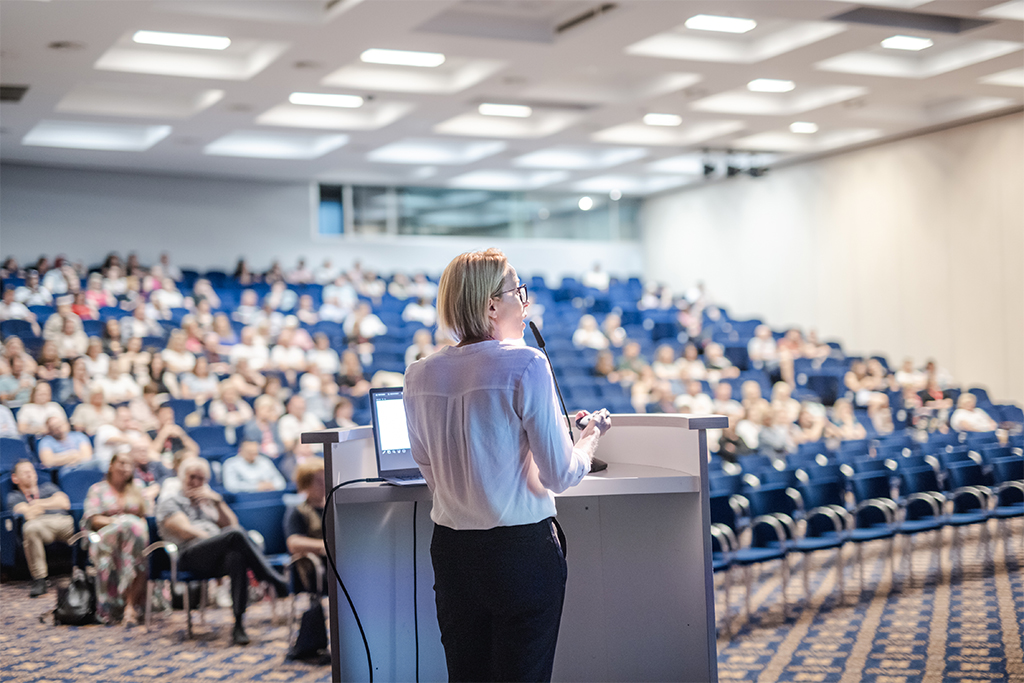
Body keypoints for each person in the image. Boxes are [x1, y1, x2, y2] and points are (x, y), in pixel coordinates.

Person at [403, 249, 611, 682]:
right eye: (519, 291)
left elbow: (427, 467)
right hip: (520, 554)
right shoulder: (526, 363)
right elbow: (560, 474)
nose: (526, 302)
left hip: (453, 554)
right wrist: (589, 438)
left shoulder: (419, 374)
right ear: (493, 304)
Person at [156, 457, 289, 646]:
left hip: (216, 554)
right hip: (189, 555)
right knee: (233, 536)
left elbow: (233, 524)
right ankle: (269, 577)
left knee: (237, 556)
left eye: (201, 479)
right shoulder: (170, 501)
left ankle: (238, 624)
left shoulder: (207, 501)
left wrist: (217, 502)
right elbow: (185, 530)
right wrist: (219, 540)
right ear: (181, 476)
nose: (195, 482)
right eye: (191, 477)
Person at [83, 452, 152, 624]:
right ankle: (117, 606)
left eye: (129, 464)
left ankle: (130, 606)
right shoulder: (97, 489)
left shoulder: (138, 487)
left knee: (137, 547)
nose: (125, 467)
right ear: (111, 465)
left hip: (135, 540)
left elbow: (147, 515)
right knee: (128, 528)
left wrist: (130, 525)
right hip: (108, 537)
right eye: (121, 463)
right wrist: (120, 523)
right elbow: (93, 519)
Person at [8, 460, 74, 597]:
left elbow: (65, 503)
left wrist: (38, 503)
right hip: (41, 526)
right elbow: (28, 513)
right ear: (15, 478)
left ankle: (86, 569)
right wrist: (51, 503)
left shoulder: (48, 487)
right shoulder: (14, 496)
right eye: (25, 472)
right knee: (30, 528)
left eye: (31, 471)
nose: (30, 474)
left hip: (63, 521)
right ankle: (40, 579)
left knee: (84, 525)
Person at [283, 458, 327, 593]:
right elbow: (293, 542)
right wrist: (323, 546)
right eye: (319, 481)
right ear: (306, 485)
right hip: (317, 562)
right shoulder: (298, 511)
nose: (324, 484)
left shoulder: (335, 506)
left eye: (326, 479)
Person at [222, 439, 286, 493]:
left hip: (268, 495)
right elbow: (231, 486)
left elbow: (281, 482)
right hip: (246, 498)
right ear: (241, 451)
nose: (253, 455)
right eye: (250, 452)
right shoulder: (231, 464)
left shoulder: (265, 461)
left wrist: (272, 485)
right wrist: (256, 487)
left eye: (255, 452)